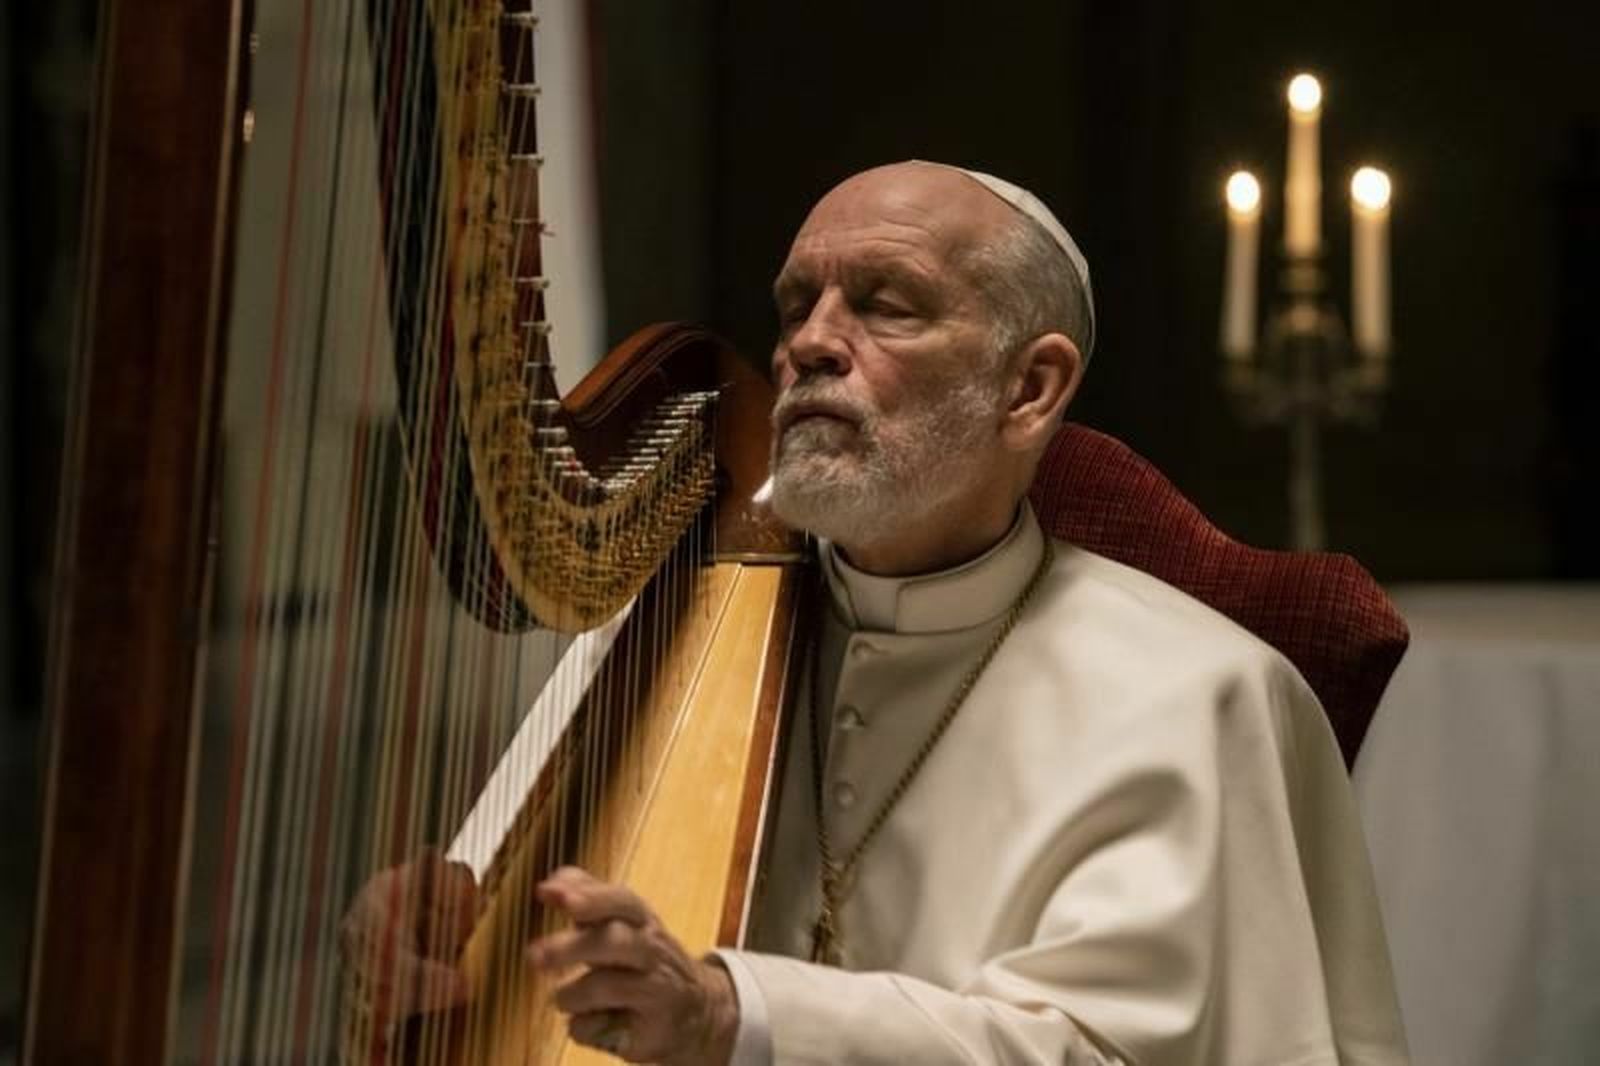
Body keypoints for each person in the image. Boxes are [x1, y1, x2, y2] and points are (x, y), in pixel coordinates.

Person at [345, 161, 1411, 1065]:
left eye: (885, 302)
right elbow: (528, 957)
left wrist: (734, 1011)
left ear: (1029, 388)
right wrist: (436, 943)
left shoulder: (1200, 694)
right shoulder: (673, 627)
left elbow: (1092, 1048)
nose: (809, 341)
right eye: (796, 303)